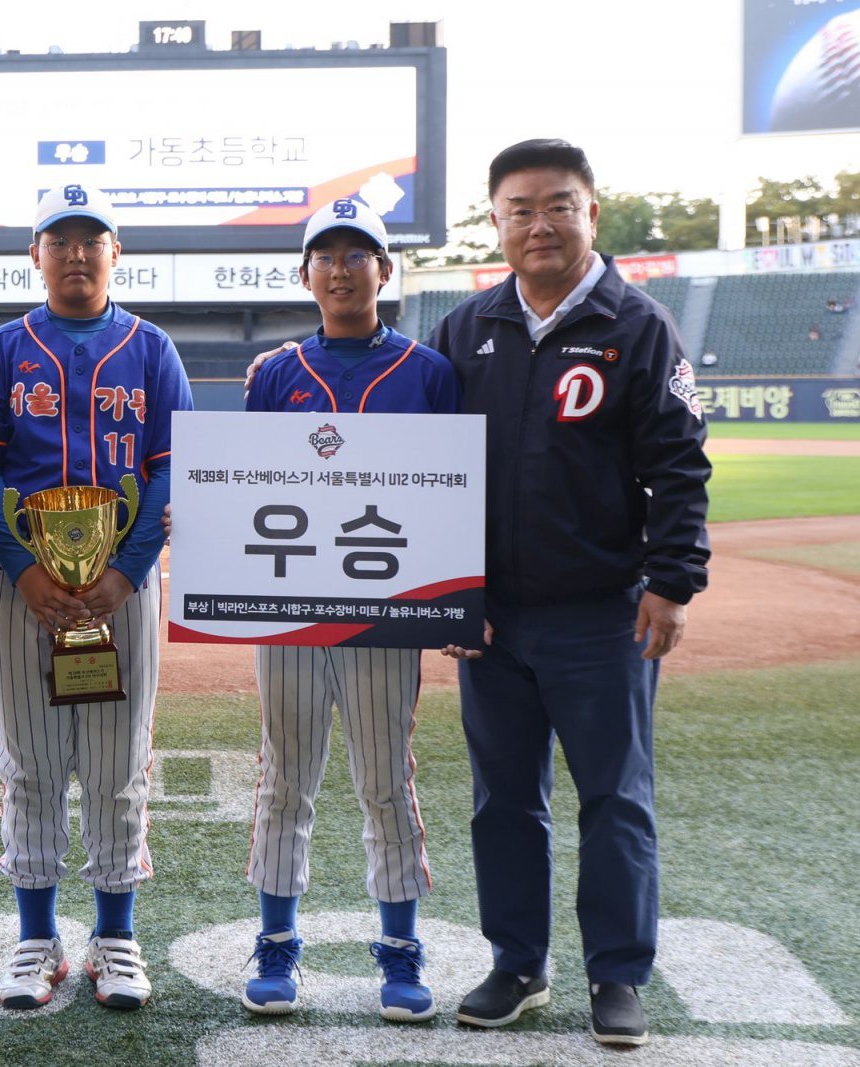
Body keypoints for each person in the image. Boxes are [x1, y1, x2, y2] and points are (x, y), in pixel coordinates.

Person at [430, 139, 709, 1048]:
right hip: (492, 617)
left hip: (600, 613)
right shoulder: (465, 328)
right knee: (502, 800)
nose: (539, 223)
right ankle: (518, 964)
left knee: (614, 798)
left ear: (592, 212)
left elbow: (678, 463)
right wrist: (447, 597)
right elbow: (427, 472)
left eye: (558, 205)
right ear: (498, 221)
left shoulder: (640, 325)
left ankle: (617, 974)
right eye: (520, 208)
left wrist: (671, 582)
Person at [0, 183, 192, 1011]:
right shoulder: (1, 350)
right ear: (36, 254)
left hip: (123, 584)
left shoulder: (153, 348)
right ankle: (35, 937)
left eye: (92, 238)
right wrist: (25, 568)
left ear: (115, 252)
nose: (77, 253)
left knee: (119, 763)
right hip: (21, 585)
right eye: (60, 239)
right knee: (29, 762)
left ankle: (116, 937)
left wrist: (124, 571)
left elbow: (173, 467)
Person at [226, 200, 459, 1020]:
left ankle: (399, 949)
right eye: (324, 254)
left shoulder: (428, 371)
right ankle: (277, 942)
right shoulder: (274, 373)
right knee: (284, 777)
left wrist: (456, 605)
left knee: (384, 780)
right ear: (304, 275)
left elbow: (452, 498)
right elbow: (245, 483)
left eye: (358, 253)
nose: (340, 266)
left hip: (387, 615)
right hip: (290, 613)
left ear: (384, 271)